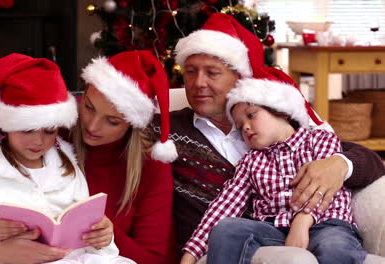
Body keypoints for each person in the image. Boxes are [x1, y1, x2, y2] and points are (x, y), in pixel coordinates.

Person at [149, 12, 385, 259]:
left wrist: (340, 164)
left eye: (212, 72)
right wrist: (189, 254)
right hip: (252, 237)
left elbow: (366, 160)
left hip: (320, 226)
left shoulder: (279, 124)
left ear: (239, 77)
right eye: (190, 71)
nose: (198, 83)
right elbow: (222, 209)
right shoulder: (165, 130)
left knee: (333, 245)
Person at [0, 50, 178, 264]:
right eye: (88, 107)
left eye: (112, 121)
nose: (92, 126)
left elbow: (153, 260)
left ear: (132, 122)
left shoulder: (151, 166)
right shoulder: (50, 134)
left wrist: (105, 233)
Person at [0, 53, 135, 264]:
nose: (38, 141)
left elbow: (85, 218)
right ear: (5, 125)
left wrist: (101, 234)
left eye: (49, 131)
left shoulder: (65, 163)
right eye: (27, 130)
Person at [180, 77, 367, 264]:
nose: (245, 126)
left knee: (336, 247)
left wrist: (302, 222)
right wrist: (191, 254)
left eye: (251, 115)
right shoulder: (251, 161)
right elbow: (225, 206)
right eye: (239, 126)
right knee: (226, 228)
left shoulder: (320, 139)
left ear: (283, 112)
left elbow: (323, 187)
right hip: (274, 229)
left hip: (327, 224)